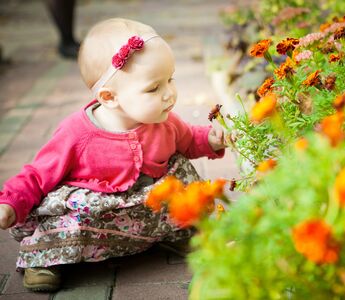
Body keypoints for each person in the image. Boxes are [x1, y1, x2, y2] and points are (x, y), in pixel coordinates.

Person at [0, 18, 227, 292]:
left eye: (170, 79)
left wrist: (211, 140)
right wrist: (11, 203)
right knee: (72, 223)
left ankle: (175, 230)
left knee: (182, 180)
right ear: (109, 97)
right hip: (98, 215)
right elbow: (38, 174)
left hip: (148, 207)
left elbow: (189, 139)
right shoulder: (77, 133)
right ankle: (45, 257)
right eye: (154, 88)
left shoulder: (164, 122)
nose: (169, 94)